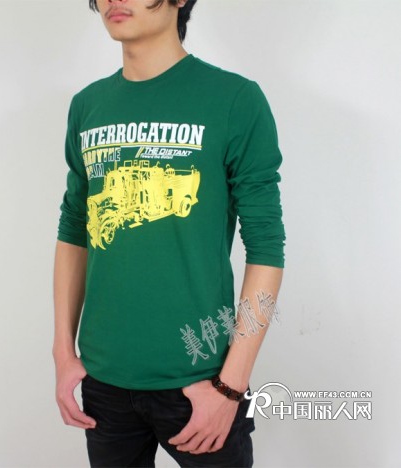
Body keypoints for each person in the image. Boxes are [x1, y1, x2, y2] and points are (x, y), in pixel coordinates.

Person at [52, 0, 286, 466]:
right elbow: (75, 227)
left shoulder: (234, 99)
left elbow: (266, 247)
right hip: (104, 383)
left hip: (201, 381)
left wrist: (231, 386)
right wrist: (62, 351)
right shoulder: (88, 105)